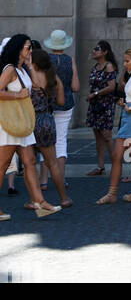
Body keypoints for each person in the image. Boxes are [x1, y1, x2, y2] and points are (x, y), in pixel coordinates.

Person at [0, 35, 61, 219]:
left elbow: (36, 86)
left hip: (23, 123)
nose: (30, 50)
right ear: (18, 48)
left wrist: (28, 63)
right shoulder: (9, 69)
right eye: (27, 47)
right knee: (2, 165)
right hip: (11, 124)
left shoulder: (22, 69)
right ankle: (38, 202)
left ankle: (39, 202)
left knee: (30, 162)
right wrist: (17, 96)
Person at [97, 46, 131, 205]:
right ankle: (112, 193)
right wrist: (125, 104)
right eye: (124, 61)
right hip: (128, 118)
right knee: (116, 156)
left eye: (127, 61)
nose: (125, 64)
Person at [28, 49, 73, 207]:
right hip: (48, 120)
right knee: (52, 162)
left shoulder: (30, 77)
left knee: (30, 163)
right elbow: (61, 102)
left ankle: (35, 200)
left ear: (34, 63)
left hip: (31, 121)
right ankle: (64, 198)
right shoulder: (54, 78)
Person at [41, 28, 77, 192]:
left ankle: (43, 180)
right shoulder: (70, 60)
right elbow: (76, 86)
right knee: (61, 141)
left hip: (47, 105)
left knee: (45, 141)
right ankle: (60, 179)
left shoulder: (45, 61)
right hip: (66, 104)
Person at [85, 40, 119, 176]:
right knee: (98, 137)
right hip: (95, 105)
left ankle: (116, 164)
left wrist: (95, 94)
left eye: (97, 49)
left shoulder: (108, 66)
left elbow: (112, 86)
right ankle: (100, 166)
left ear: (105, 52)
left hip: (105, 105)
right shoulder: (95, 67)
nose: (94, 51)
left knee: (107, 136)